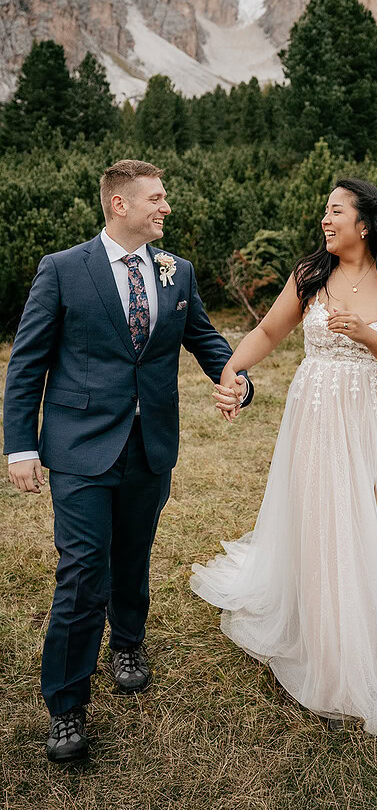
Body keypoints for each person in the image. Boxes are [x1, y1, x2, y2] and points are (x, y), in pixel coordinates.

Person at [3, 159, 253, 764]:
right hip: (79, 447)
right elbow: (27, 362)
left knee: (133, 552)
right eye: (157, 198)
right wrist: (21, 445)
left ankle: (129, 643)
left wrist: (236, 378)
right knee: (83, 569)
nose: (166, 207)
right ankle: (65, 704)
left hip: (150, 446)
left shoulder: (177, 272)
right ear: (120, 204)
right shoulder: (63, 270)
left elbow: (207, 339)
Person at [191, 178, 377, 735]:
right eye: (325, 212)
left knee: (364, 528)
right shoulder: (311, 277)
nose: (325, 221)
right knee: (326, 526)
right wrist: (232, 370)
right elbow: (271, 330)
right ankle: (331, 661)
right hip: (318, 415)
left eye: (335, 211)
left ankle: (355, 634)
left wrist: (368, 337)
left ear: (363, 224)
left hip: (374, 418)